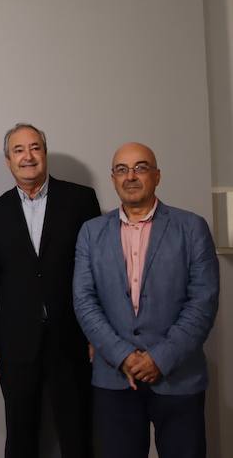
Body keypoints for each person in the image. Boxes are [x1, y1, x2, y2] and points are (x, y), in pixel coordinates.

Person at [73, 142, 219, 458]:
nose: (131, 176)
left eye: (140, 167)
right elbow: (84, 301)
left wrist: (159, 359)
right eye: (122, 170)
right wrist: (123, 355)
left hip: (179, 377)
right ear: (113, 178)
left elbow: (203, 301)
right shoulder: (91, 232)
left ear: (157, 176)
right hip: (114, 377)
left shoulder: (191, 228)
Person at [0, 123, 100, 457]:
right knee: (20, 435)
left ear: (44, 154)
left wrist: (97, 334)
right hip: (15, 341)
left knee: (78, 432)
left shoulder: (81, 200)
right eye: (18, 150)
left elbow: (96, 271)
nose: (27, 156)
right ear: (8, 161)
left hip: (73, 338)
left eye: (34, 148)